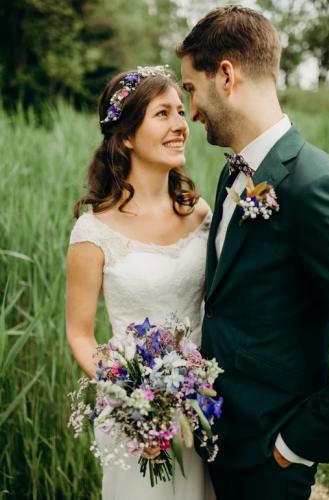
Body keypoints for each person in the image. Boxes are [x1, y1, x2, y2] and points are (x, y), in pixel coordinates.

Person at [177, 5, 329, 500]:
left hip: (272, 453)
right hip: (223, 441)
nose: (190, 109)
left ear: (225, 75)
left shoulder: (313, 184)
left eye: (189, 90)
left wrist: (297, 442)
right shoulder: (231, 174)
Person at [66, 66, 216, 500]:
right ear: (127, 136)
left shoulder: (200, 212)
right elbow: (79, 333)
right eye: (162, 114)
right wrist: (135, 402)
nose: (180, 126)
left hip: (204, 408)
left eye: (180, 112)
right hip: (138, 421)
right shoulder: (93, 232)